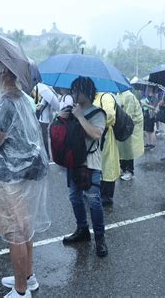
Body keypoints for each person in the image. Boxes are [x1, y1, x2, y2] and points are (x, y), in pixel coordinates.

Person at [0, 58, 50, 298]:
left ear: (3, 73)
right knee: (24, 227)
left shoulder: (7, 102)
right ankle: (28, 277)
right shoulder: (21, 99)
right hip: (26, 174)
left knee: (15, 231)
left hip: (11, 177)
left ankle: (20, 291)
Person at [59, 76, 108, 257]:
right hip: (73, 161)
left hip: (91, 163)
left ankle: (100, 239)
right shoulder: (71, 110)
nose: (73, 94)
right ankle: (82, 230)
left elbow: (96, 134)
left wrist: (80, 117)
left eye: (76, 90)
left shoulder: (98, 114)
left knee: (94, 201)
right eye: (73, 90)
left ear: (87, 91)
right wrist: (61, 118)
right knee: (74, 197)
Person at [95, 91, 120, 206]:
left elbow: (110, 115)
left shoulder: (106, 96)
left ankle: (106, 196)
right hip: (96, 137)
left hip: (105, 136)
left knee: (107, 166)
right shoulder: (93, 96)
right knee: (99, 165)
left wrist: (95, 122)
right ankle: (99, 191)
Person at [117, 89, 144, 181]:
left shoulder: (128, 95)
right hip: (123, 123)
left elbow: (129, 114)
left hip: (130, 125)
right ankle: (123, 169)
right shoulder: (119, 94)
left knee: (128, 148)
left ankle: (129, 171)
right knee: (122, 147)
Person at [35, 83, 60, 159]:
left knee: (44, 138)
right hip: (46, 120)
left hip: (43, 120)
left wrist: (36, 106)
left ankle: (46, 154)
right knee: (43, 137)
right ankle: (46, 154)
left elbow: (39, 108)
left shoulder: (45, 98)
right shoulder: (47, 98)